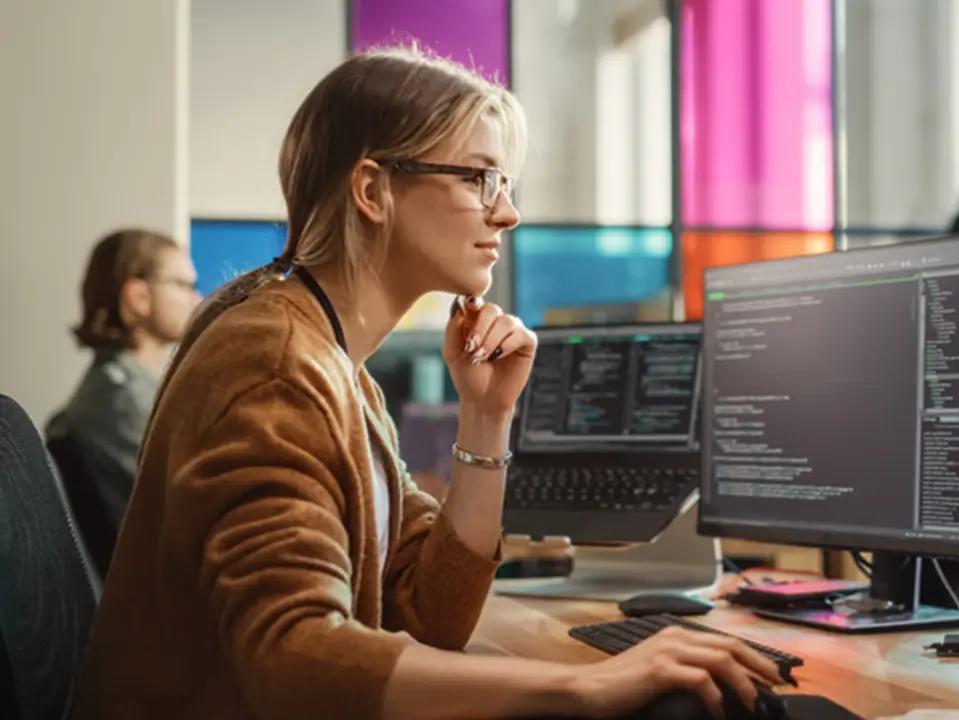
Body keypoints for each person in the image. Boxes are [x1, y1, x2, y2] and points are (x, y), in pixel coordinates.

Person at [70, 47, 781, 720]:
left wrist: (485, 417)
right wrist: (586, 684)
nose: (508, 212)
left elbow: (430, 614)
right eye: (478, 178)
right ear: (373, 190)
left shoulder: (332, 356)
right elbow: (291, 657)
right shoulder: (277, 360)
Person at [46, 228, 201, 537]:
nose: (198, 298)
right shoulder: (122, 401)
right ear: (138, 297)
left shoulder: (120, 390)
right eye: (184, 285)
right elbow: (197, 508)